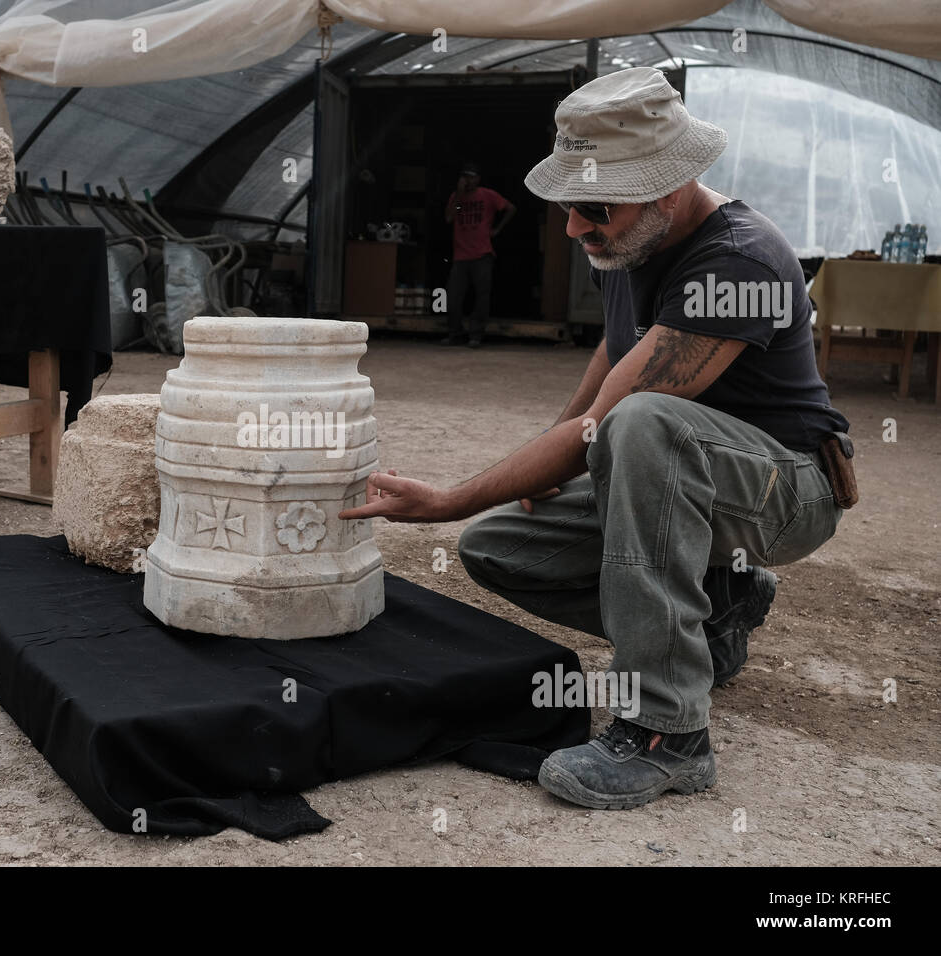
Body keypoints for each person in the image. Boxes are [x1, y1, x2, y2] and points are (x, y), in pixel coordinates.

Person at [340, 68, 851, 810]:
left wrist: (449, 499)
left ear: (667, 190)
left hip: (789, 489)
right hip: (700, 480)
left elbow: (614, 420)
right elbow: (615, 356)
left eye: (590, 206)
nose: (574, 226)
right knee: (497, 551)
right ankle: (720, 604)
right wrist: (549, 446)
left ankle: (668, 733)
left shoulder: (738, 261)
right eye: (568, 205)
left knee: (642, 427)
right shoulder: (629, 239)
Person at [442, 162, 515, 348]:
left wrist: (497, 229)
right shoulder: (457, 198)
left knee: (482, 296)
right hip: (460, 255)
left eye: (472, 177)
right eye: (465, 176)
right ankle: (454, 333)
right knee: (453, 296)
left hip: (482, 254)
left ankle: (476, 335)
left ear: (478, 178)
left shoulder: (487, 195)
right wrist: (459, 194)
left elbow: (510, 208)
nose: (469, 180)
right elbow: (450, 217)